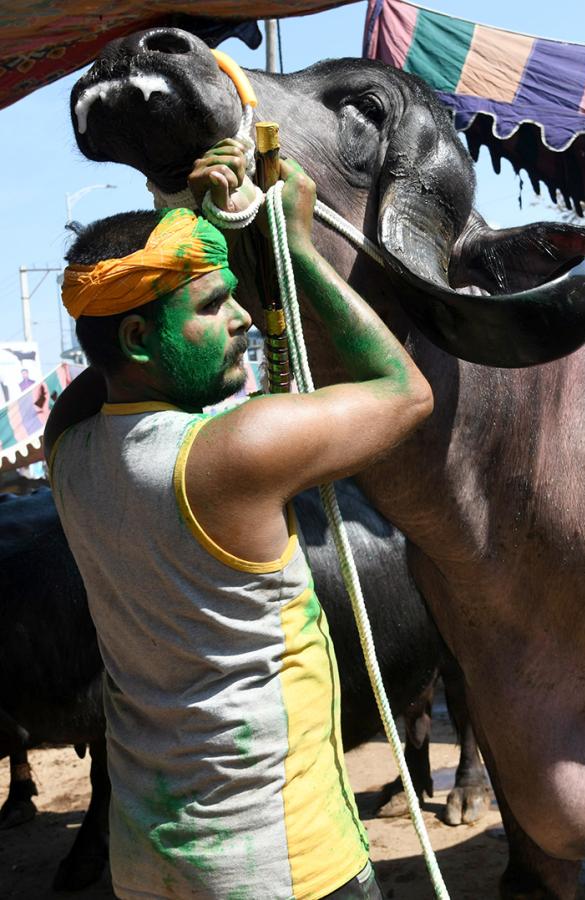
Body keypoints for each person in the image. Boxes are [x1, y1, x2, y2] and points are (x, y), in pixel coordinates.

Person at [44, 144, 433, 900]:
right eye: (212, 306)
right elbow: (405, 394)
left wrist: (179, 231)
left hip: (148, 861)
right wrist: (298, 250)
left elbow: (103, 361)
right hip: (281, 863)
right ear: (137, 339)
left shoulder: (70, 446)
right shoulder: (228, 454)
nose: (243, 318)